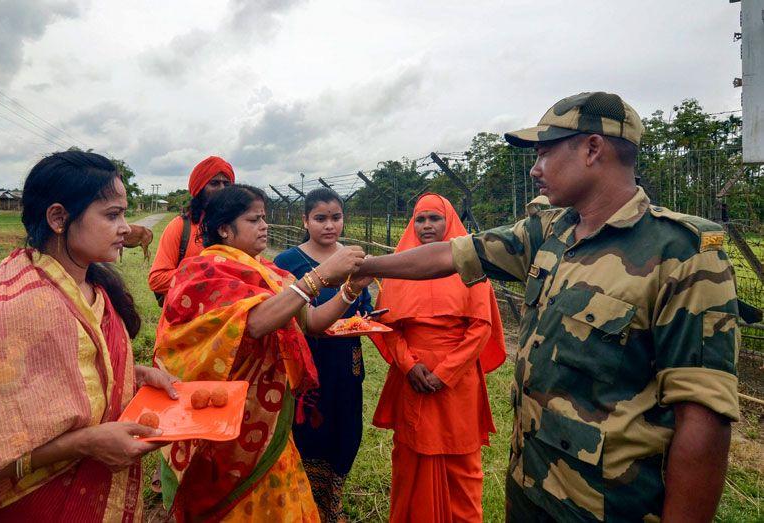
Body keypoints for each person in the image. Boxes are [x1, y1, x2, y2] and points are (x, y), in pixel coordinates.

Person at [358, 92, 740, 522]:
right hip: (530, 489)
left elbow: (704, 418)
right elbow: (448, 255)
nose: (536, 169)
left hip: (606, 506)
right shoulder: (548, 233)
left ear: (593, 149)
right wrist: (363, 266)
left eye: (545, 153)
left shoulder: (682, 254)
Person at [0, 151, 179, 521]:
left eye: (124, 213)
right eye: (112, 215)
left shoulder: (94, 290)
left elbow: (70, 372)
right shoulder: (24, 309)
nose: (126, 227)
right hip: (31, 505)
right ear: (58, 218)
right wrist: (83, 444)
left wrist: (135, 374)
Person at [153, 184, 371, 522]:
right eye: (254, 219)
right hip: (228, 421)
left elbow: (311, 322)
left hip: (269, 420)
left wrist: (349, 290)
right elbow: (255, 324)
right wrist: (318, 277)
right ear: (225, 229)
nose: (264, 226)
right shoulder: (202, 272)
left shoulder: (267, 272)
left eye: (264, 218)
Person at [369, 193, 507, 523]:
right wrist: (408, 365)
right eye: (420, 219)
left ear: (449, 222)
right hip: (411, 378)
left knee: (462, 467)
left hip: (456, 383)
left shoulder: (471, 266)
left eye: (435, 218)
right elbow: (388, 325)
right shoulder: (398, 268)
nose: (427, 225)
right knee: (410, 460)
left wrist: (443, 373)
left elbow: (480, 327)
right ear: (411, 224)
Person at [273, 188, 374, 522]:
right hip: (306, 361)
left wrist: (367, 321)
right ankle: (301, 506)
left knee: (345, 431)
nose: (329, 225)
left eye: (336, 217)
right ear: (305, 221)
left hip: (346, 362)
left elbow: (366, 307)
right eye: (320, 218)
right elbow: (281, 315)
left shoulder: (354, 258)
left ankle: (332, 506)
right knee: (307, 431)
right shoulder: (287, 263)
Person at [148, 155, 234, 304]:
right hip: (185, 322)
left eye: (226, 184)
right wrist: (208, 273)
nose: (222, 189)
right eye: (214, 183)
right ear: (199, 189)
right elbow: (157, 280)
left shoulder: (238, 226)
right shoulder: (180, 226)